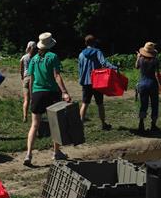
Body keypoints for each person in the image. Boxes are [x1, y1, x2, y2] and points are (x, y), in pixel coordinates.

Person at [24, 32, 71, 167]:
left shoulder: (33, 59)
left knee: (34, 125)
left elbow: (31, 79)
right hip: (52, 93)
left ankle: (28, 154)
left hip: (37, 93)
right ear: (50, 44)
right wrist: (64, 92)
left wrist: (32, 95)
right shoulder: (53, 56)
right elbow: (56, 76)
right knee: (55, 124)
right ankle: (56, 152)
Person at [78, 34, 117, 130]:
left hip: (86, 82)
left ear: (85, 43)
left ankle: (79, 126)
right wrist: (114, 67)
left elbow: (80, 69)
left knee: (84, 103)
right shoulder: (97, 52)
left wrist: (81, 80)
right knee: (100, 103)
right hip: (97, 82)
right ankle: (103, 124)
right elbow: (104, 63)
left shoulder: (81, 54)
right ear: (94, 42)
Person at [135, 41, 161, 134]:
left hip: (142, 84)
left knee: (143, 105)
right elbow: (157, 75)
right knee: (154, 105)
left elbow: (136, 67)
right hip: (152, 84)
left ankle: (141, 124)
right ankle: (153, 125)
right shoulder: (155, 60)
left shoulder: (140, 60)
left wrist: (138, 57)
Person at [20, 41, 37, 122]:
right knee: (34, 98)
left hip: (26, 78)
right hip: (34, 78)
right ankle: (35, 116)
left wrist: (22, 77)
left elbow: (21, 69)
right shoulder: (37, 57)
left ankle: (25, 116)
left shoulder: (24, 57)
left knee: (26, 99)